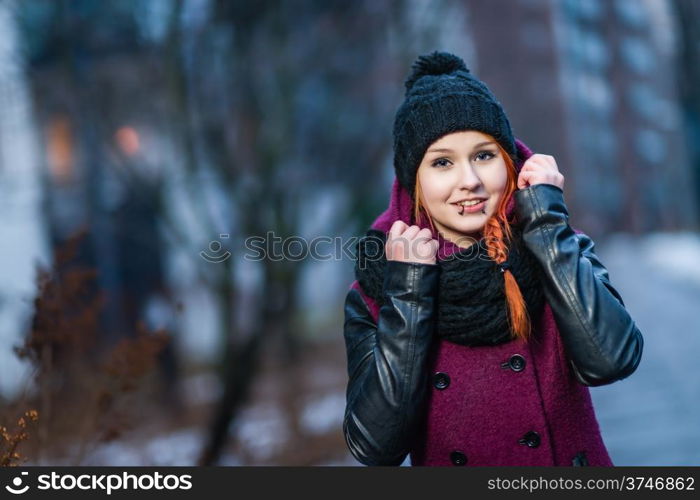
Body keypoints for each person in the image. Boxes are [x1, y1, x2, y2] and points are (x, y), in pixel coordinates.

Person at [342, 50, 644, 466]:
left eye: (484, 155)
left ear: (511, 161)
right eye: (442, 162)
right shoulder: (378, 288)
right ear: (414, 182)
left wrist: (546, 225)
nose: (470, 181)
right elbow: (375, 447)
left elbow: (611, 360)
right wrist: (408, 293)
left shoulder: (558, 245)